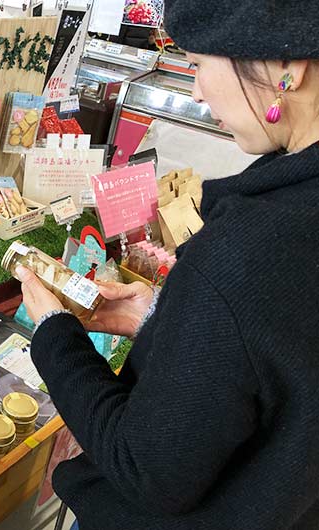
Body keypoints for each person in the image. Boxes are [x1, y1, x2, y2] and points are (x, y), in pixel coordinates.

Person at [16, 1, 319, 528]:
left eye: (199, 63)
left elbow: (148, 471)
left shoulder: (248, 250)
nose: (197, 91)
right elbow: (273, 362)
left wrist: (53, 333)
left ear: (289, 67)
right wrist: (169, 320)